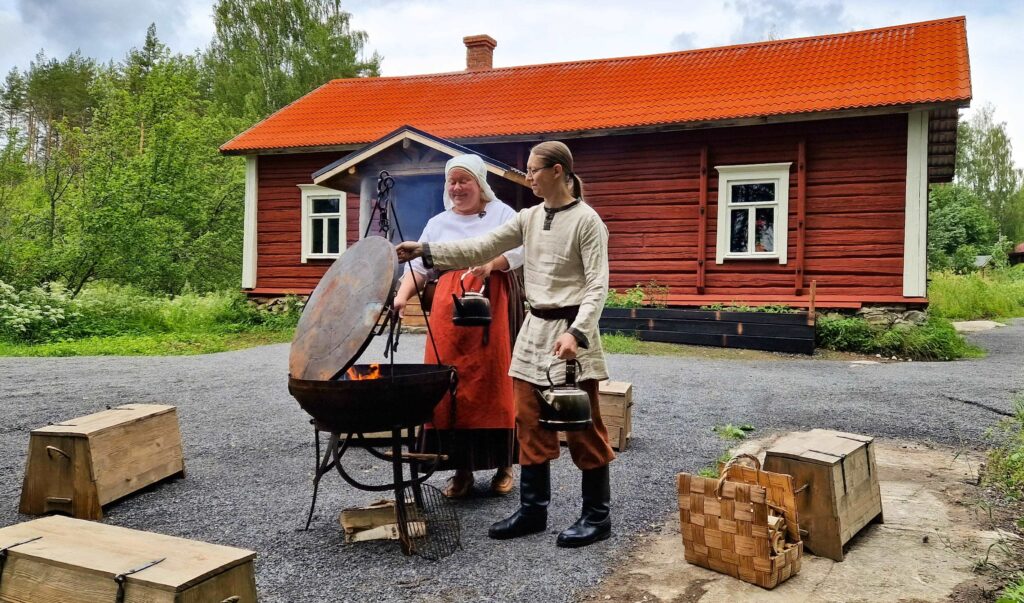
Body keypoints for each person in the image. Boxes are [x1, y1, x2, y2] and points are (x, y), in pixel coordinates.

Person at [396, 141, 616, 548]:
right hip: (534, 331)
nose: (528, 177)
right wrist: (427, 249)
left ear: (557, 171)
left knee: (582, 425)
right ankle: (534, 512)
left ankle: (596, 516)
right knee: (529, 421)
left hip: (570, 332)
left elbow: (597, 285)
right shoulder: (530, 217)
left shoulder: (587, 221)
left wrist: (578, 332)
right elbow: (480, 247)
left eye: (533, 170)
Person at [393, 154, 525, 498]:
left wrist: (492, 263)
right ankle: (461, 469)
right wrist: (401, 296)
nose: (456, 188)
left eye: (463, 180)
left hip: (491, 301)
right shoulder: (437, 223)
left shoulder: (502, 215)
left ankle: (503, 465)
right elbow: (419, 269)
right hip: (448, 311)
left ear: (480, 184)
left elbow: (521, 250)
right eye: (451, 181)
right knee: (448, 381)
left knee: (494, 380)